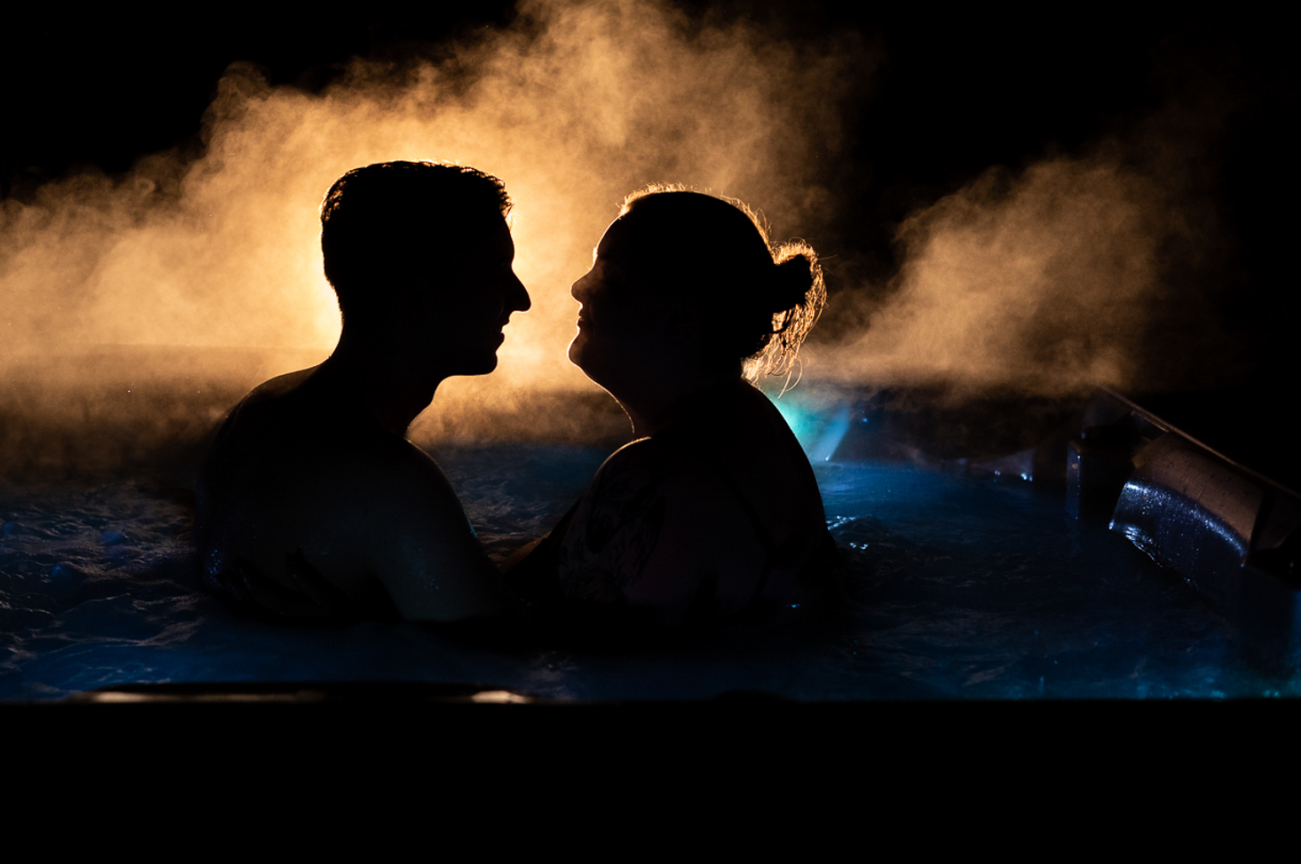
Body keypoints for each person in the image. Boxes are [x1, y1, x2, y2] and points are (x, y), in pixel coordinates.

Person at [197, 161, 530, 623]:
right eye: (497, 273)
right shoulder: (393, 485)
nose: (520, 298)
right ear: (417, 294)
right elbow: (521, 669)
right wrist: (375, 637)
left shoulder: (258, 410)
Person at [506, 186, 836, 630]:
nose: (579, 287)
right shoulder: (745, 425)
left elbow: (588, 670)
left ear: (682, 317)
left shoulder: (655, 473)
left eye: (611, 278)